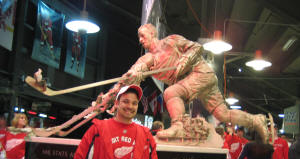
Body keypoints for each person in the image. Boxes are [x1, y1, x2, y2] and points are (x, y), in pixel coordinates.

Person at [98, 23, 268, 143]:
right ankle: (256, 121)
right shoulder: (147, 59)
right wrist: (110, 95)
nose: (140, 40)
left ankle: (179, 126)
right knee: (222, 115)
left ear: (152, 33)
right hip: (199, 81)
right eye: (139, 38)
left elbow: (196, 47)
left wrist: (184, 60)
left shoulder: (170, 41)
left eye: (143, 35)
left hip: (200, 73)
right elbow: (129, 77)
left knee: (171, 92)